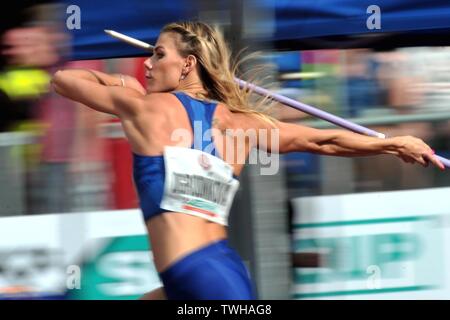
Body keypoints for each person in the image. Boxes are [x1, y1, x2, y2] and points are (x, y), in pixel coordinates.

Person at [51, 21, 446, 300]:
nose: (149, 64)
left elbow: (65, 80)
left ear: (187, 64)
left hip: (196, 272)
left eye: (157, 54)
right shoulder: (241, 123)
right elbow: (323, 141)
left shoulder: (145, 108)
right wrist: (392, 143)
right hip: (213, 269)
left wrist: (124, 83)